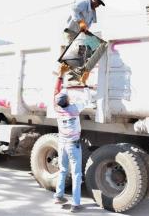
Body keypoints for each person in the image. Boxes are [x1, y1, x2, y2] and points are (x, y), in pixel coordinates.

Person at [53, 63, 87, 213]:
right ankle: (75, 204)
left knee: (62, 170)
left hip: (62, 143)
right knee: (76, 174)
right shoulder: (74, 109)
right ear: (68, 101)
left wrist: (60, 76)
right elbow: (86, 99)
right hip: (73, 145)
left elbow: (56, 92)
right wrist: (84, 83)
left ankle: (58, 196)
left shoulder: (58, 109)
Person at [63, 0, 107, 85]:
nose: (98, 5)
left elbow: (88, 25)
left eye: (100, 4)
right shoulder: (85, 2)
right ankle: (72, 77)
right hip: (72, 31)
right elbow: (74, 9)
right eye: (97, 2)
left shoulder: (93, 12)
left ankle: (85, 71)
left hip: (81, 34)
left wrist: (87, 34)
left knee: (102, 46)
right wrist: (80, 21)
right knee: (74, 54)